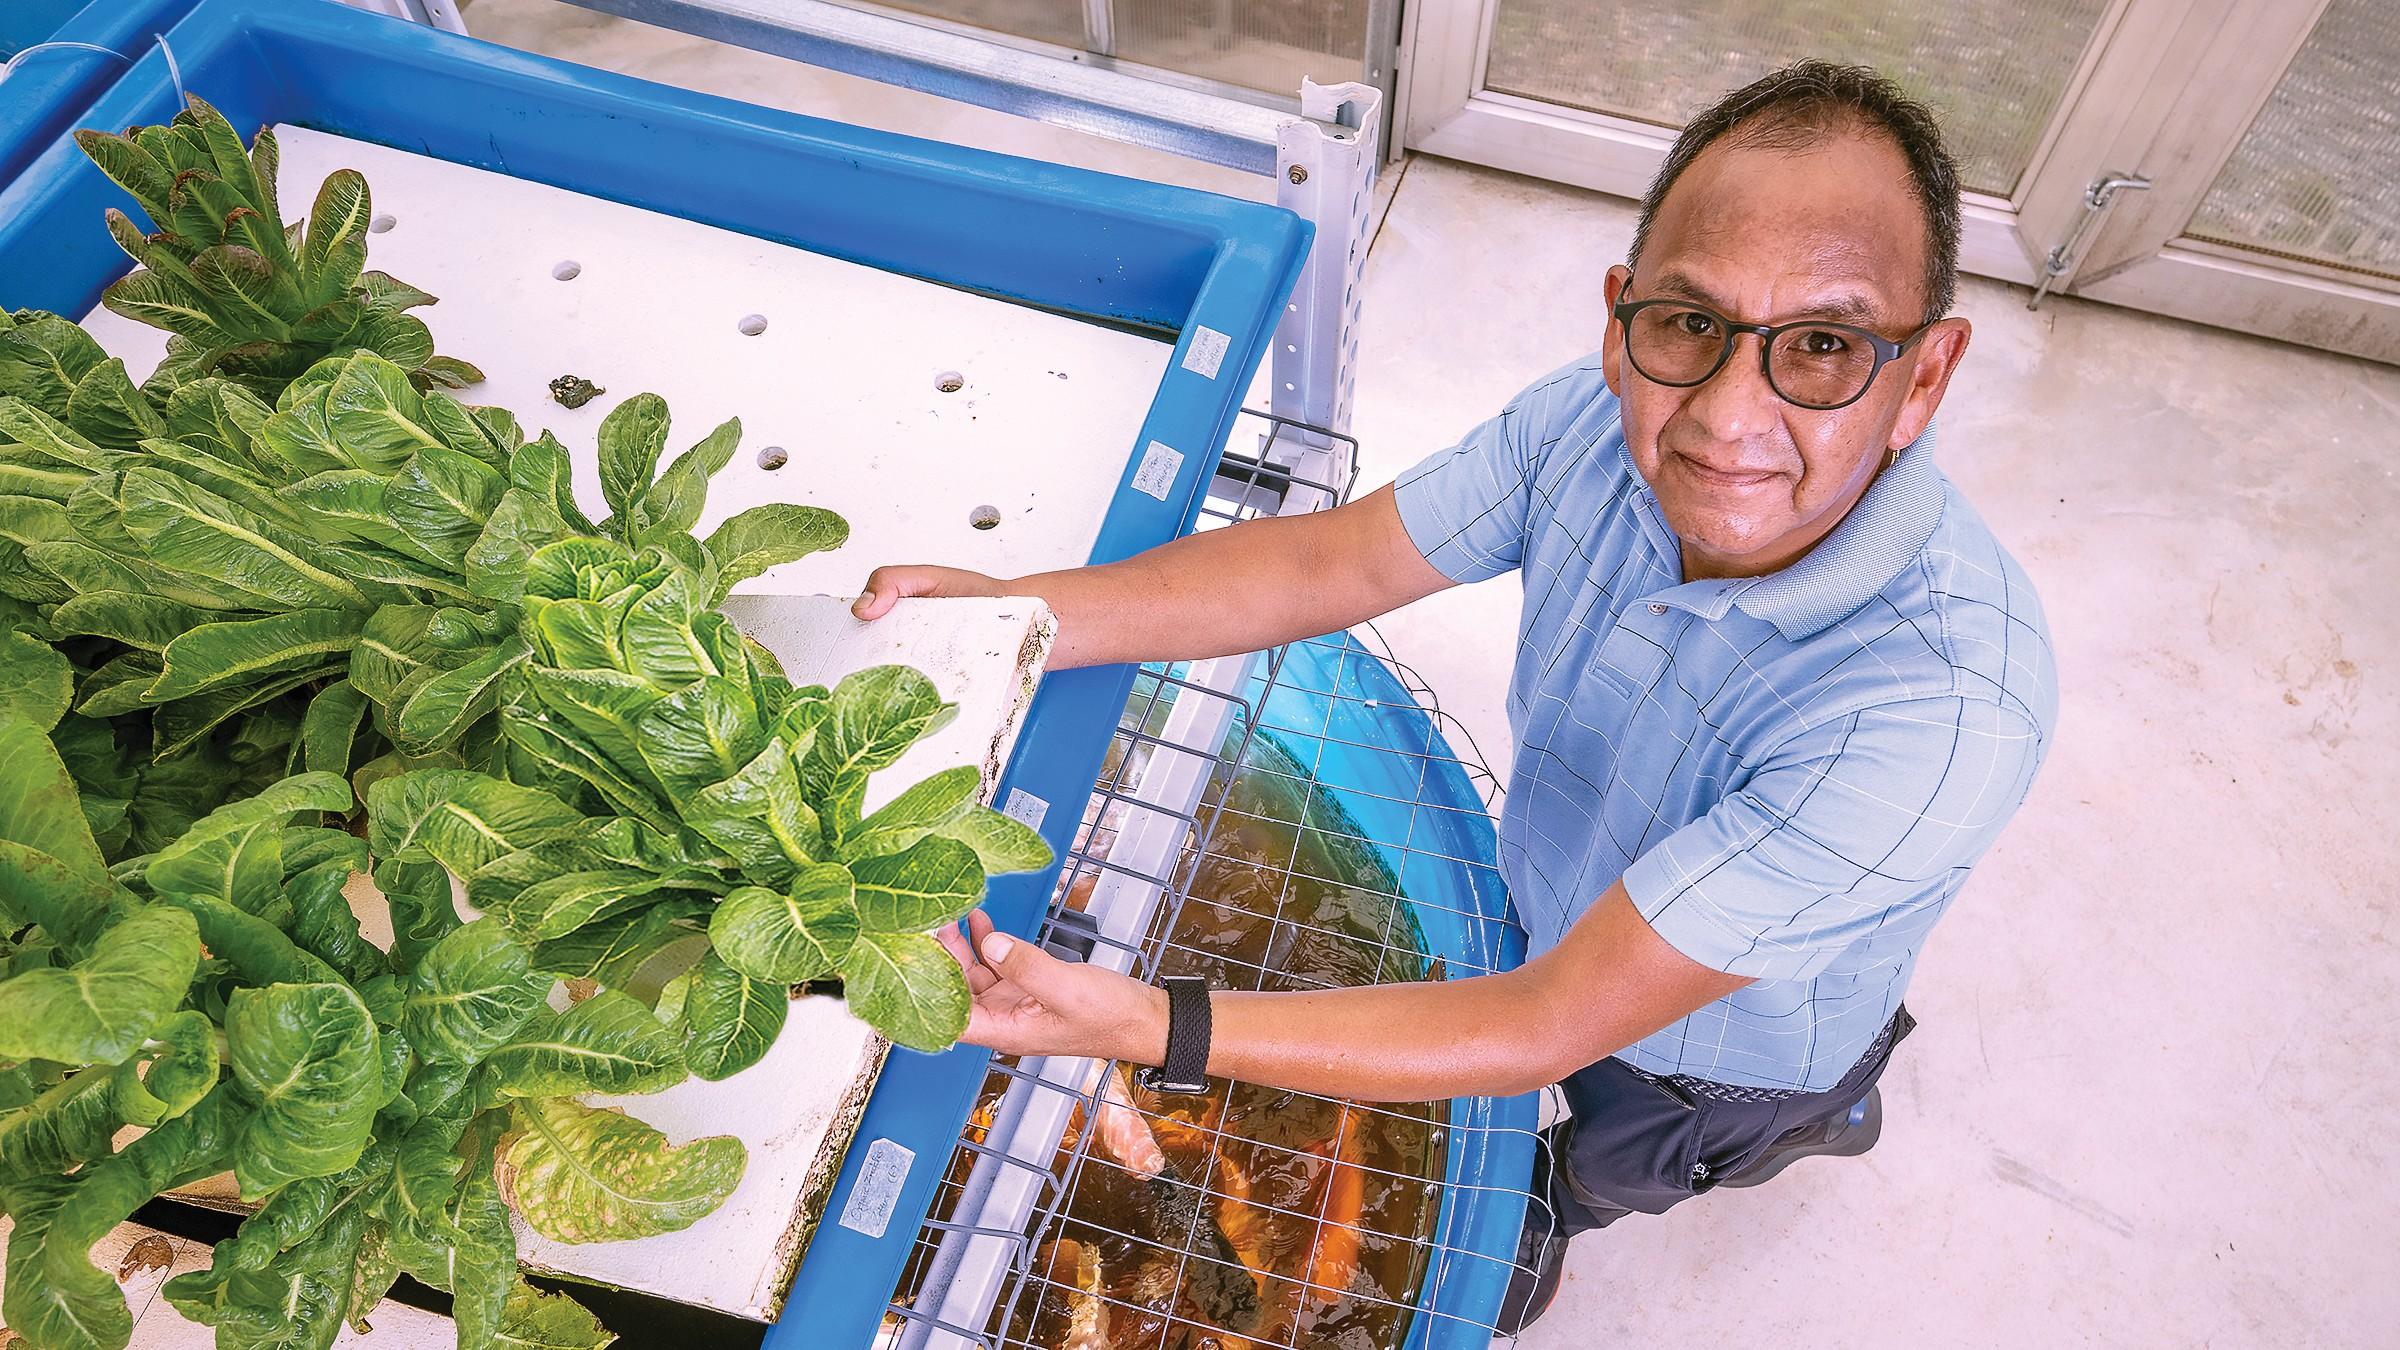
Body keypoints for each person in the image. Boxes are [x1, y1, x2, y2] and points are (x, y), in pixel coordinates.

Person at [851, 60, 2057, 1331]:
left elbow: (1545, 1022)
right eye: (1689, 323)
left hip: (1714, 1059)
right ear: (1618, 317)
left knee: (1601, 1158)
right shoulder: (1591, 424)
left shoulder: (1938, 715)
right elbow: (1332, 559)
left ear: (1925, 377)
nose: (1726, 415)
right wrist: (1023, 618)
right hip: (1561, 898)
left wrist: (1147, 1021)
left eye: (1824, 346)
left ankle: (1794, 1123)